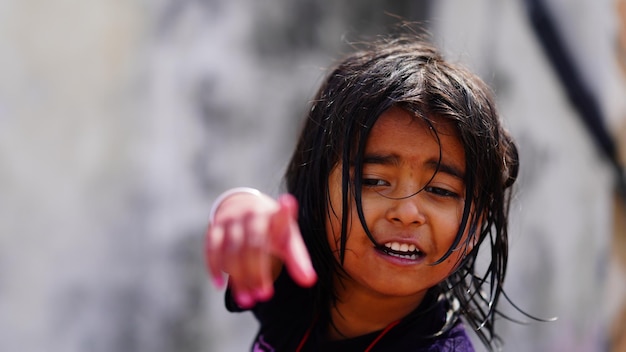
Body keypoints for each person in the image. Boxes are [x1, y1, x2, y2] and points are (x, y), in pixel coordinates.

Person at [205, 35, 520, 351]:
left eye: (440, 190)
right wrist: (242, 206)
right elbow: (262, 237)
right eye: (375, 181)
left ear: (478, 221)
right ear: (317, 184)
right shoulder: (305, 279)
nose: (408, 213)